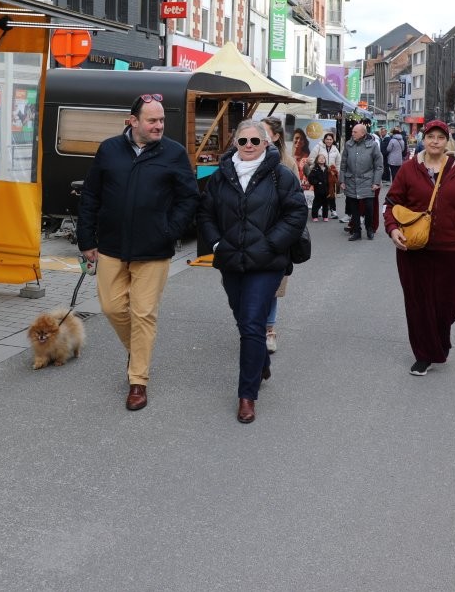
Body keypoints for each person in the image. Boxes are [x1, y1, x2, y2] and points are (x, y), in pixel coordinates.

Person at [78, 94, 199, 411]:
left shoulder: (174, 153)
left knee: (143, 314)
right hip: (111, 246)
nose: (159, 125)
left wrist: (170, 231)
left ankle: (138, 381)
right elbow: (91, 196)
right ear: (133, 121)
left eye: (162, 120)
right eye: (152, 120)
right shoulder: (109, 149)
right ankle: (138, 350)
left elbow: (189, 198)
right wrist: (86, 239)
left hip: (153, 249)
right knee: (111, 306)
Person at [197, 119, 307, 424]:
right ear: (235, 143)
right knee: (243, 317)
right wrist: (217, 244)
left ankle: (247, 395)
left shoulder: (280, 175)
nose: (248, 145)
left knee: (251, 321)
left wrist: (271, 244)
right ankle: (261, 363)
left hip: (267, 262)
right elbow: (205, 213)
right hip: (231, 260)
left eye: (255, 141)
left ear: (266, 144)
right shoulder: (221, 175)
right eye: (243, 141)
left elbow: (297, 213)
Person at [383, 119, 455, 376]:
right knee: (418, 303)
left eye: (440, 137)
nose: (435, 141)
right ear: (424, 139)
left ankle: (439, 340)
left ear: (447, 141)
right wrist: (393, 228)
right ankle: (424, 354)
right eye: (431, 136)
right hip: (413, 247)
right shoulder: (409, 169)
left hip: (449, 247)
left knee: (450, 301)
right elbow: (391, 203)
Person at [261, 116, 297, 353]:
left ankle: (269, 330)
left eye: (263, 132)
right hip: (248, 235)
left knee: (271, 286)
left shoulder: (287, 163)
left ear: (275, 136)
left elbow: (296, 203)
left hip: (276, 235)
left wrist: (283, 234)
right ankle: (252, 325)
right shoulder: (244, 157)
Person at [341, 117, 383, 240]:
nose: (352, 133)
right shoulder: (348, 145)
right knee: (354, 209)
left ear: (363, 133)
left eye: (355, 132)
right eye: (352, 132)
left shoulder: (373, 145)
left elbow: (379, 166)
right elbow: (343, 164)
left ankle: (369, 228)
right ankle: (356, 231)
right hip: (351, 181)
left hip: (368, 181)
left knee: (369, 208)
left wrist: (376, 182)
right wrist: (342, 180)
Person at [310, 131, 341, 220]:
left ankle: (333, 210)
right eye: (327, 139)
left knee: (331, 192)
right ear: (324, 140)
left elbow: (338, 162)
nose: (329, 141)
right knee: (320, 192)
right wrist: (315, 168)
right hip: (320, 172)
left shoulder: (335, 149)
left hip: (330, 174)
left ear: (333, 140)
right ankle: (319, 208)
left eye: (330, 139)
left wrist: (337, 172)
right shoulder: (318, 147)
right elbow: (311, 158)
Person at [307, 153, 330, 221]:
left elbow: (331, 177)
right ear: (317, 160)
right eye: (320, 158)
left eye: (323, 158)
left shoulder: (327, 169)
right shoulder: (315, 169)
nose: (322, 160)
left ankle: (325, 216)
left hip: (326, 189)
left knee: (325, 204)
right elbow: (310, 178)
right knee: (316, 203)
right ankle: (315, 216)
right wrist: (316, 182)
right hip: (318, 189)